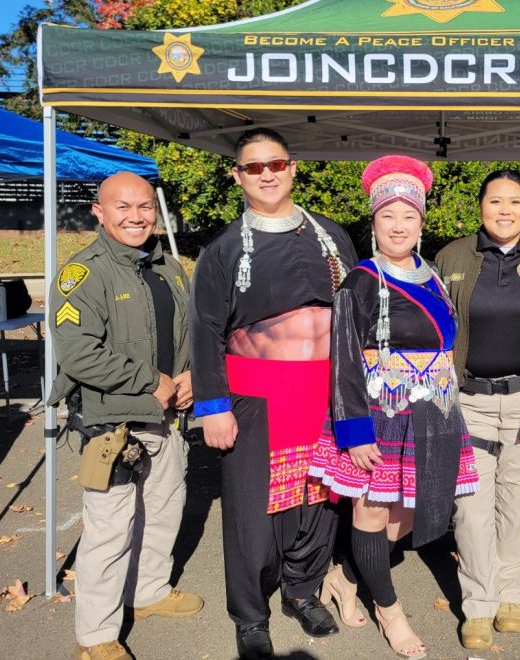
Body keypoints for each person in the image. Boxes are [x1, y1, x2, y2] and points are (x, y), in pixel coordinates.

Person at [189, 128, 357, 659]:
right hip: (254, 396)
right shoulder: (222, 250)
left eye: (276, 164)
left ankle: (302, 591)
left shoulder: (332, 236)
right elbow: (205, 330)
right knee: (251, 512)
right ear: (237, 175)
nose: (267, 174)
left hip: (323, 395)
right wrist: (213, 406)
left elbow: (352, 320)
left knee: (317, 500)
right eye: (254, 167)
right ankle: (249, 614)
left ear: (292, 168)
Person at [308, 154, 478, 659]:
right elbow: (342, 359)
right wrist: (355, 432)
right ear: (374, 221)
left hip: (431, 412)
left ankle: (341, 576)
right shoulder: (360, 281)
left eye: (409, 215)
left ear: (422, 222)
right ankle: (391, 611)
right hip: (379, 414)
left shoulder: (431, 277)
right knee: (372, 513)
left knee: (404, 518)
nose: (398, 226)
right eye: (388, 216)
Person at [48, 171, 202, 660]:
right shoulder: (82, 274)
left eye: (145, 208)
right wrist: (150, 380)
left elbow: (191, 333)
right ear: (99, 211)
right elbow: (77, 354)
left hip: (169, 419)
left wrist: (193, 373)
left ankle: (150, 591)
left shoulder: (171, 268)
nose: (136, 217)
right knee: (110, 531)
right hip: (113, 424)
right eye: (123, 207)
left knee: (163, 512)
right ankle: (95, 636)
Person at [433, 168, 520, 650]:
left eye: (514, 201)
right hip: (469, 401)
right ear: (480, 207)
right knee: (470, 509)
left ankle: (510, 593)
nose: (504, 210)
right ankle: (479, 604)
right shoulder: (452, 257)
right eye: (494, 201)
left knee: (519, 505)